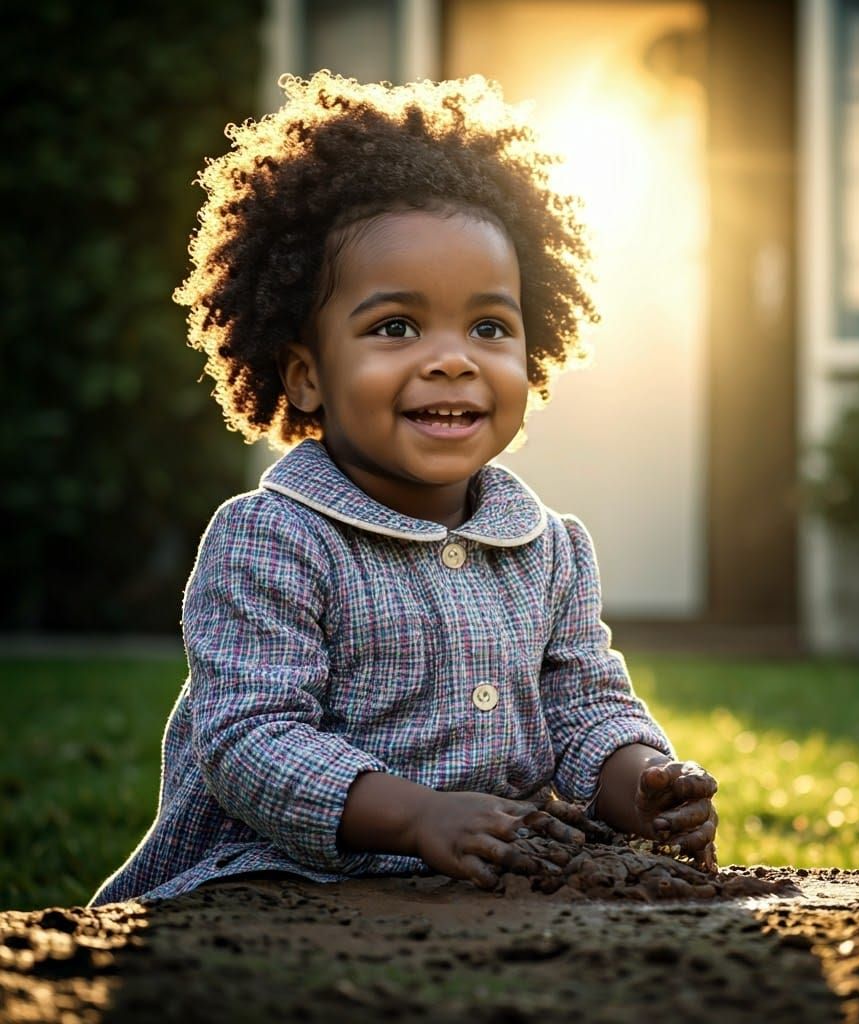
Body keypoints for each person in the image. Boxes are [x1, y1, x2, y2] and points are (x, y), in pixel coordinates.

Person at [90, 73, 717, 906]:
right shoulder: (273, 539)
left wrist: (643, 782)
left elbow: (586, 710)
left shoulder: (551, 549)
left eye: (489, 327)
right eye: (396, 327)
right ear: (306, 376)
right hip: (275, 882)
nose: (453, 358)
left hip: (485, 883)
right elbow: (249, 741)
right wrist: (417, 816)